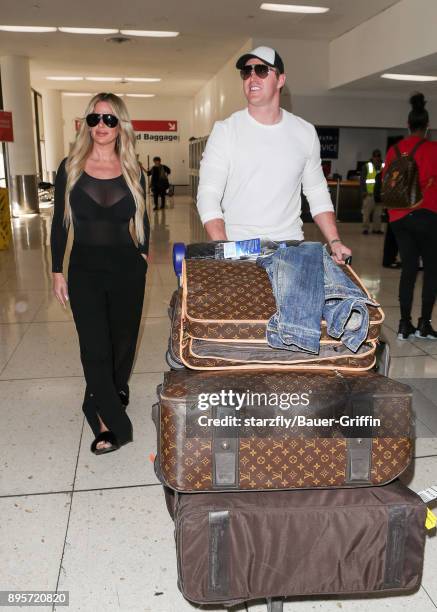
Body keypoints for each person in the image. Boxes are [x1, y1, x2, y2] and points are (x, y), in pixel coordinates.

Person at [51, 93, 150, 454]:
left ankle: (113, 389)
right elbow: (59, 224)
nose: (101, 126)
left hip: (127, 268)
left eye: (109, 120)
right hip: (85, 269)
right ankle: (111, 422)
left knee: (122, 343)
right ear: (86, 124)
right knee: (95, 345)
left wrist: (143, 252)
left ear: (120, 125)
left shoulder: (133, 168)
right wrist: (56, 269)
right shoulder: (71, 166)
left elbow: (144, 217)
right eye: (94, 119)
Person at [196, 46, 350, 265]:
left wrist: (334, 241)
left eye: (261, 70)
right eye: (246, 72)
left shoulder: (305, 132)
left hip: (290, 250)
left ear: (280, 80)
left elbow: (316, 193)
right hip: (241, 249)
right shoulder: (225, 131)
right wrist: (225, 248)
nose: (252, 77)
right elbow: (208, 194)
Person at [382, 93, 437, 340]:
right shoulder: (432, 149)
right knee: (432, 270)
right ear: (427, 127)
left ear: (407, 124)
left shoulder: (393, 150)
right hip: (427, 214)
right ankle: (424, 323)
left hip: (398, 218)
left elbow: (386, 183)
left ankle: (404, 324)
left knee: (408, 270)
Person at [360, 149, 384, 235]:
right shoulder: (367, 166)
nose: (377, 158)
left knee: (378, 214)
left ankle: (376, 229)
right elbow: (362, 180)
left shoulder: (384, 167)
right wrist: (364, 192)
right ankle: (365, 229)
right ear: (372, 157)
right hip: (369, 195)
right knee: (366, 213)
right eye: (375, 156)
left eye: (378, 156)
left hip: (380, 195)